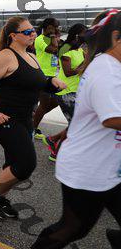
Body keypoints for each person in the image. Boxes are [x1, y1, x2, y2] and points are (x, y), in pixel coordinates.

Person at [32, 9, 121, 249]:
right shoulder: (107, 70)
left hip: (111, 165)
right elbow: (113, 118)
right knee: (72, 229)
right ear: (116, 37)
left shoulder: (113, 65)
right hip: (89, 167)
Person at [0, 16, 66, 219]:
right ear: (13, 36)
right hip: (6, 118)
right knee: (26, 164)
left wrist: (52, 82)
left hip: (25, 117)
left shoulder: (31, 56)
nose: (33, 34)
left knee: (13, 161)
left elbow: (38, 83)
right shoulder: (5, 56)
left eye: (33, 30)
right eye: (27, 32)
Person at [42, 23, 88, 162]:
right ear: (77, 35)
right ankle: (56, 151)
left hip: (77, 91)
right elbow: (68, 72)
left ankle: (53, 139)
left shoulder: (80, 50)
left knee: (78, 123)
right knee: (76, 124)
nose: (86, 35)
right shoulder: (65, 51)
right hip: (66, 92)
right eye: (84, 33)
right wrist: (84, 64)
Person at [32, 17, 62, 140]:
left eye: (56, 27)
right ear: (47, 27)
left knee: (56, 101)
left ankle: (33, 118)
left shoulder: (51, 39)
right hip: (42, 75)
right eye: (53, 27)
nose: (55, 29)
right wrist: (54, 37)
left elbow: (58, 50)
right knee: (44, 104)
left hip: (52, 75)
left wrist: (54, 38)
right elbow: (52, 50)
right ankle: (32, 129)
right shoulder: (40, 39)